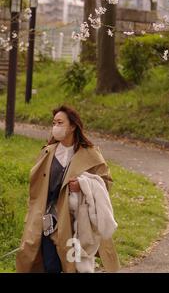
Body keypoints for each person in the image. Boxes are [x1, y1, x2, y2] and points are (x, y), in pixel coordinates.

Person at [15, 105, 120, 273]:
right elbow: (35, 189)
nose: (55, 126)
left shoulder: (90, 154)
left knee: (74, 266)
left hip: (76, 221)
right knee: (51, 265)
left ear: (72, 126)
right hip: (49, 220)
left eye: (60, 122)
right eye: (54, 122)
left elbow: (106, 182)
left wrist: (84, 185)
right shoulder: (48, 153)